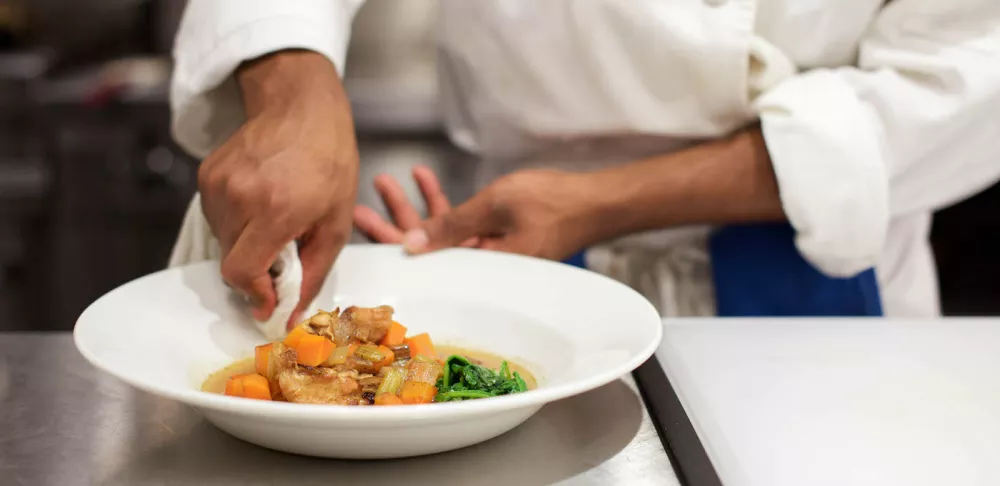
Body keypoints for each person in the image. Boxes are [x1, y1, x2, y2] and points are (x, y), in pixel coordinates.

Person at [169, 0, 1000, 326]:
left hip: (832, 289)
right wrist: (291, 86)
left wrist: (600, 201)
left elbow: (958, 84)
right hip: (516, 266)